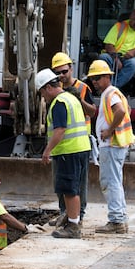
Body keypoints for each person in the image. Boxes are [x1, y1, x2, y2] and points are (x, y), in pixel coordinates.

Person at [37, 69, 91, 239]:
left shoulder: (59, 102)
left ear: (47, 88)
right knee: (75, 187)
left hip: (68, 150)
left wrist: (47, 150)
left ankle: (73, 226)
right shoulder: (71, 98)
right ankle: (72, 219)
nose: (43, 97)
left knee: (69, 189)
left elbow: (60, 130)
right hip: (81, 148)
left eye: (42, 92)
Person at [86, 60, 135, 234]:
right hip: (116, 144)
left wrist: (109, 130)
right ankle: (120, 218)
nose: (94, 81)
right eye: (92, 79)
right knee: (114, 181)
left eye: (98, 78)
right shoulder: (113, 93)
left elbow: (122, 111)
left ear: (108, 77)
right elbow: (127, 109)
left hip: (112, 144)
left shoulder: (110, 94)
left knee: (110, 182)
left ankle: (116, 220)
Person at [49, 52, 97, 227]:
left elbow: (92, 111)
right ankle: (64, 214)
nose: (62, 76)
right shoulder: (55, 90)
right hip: (62, 145)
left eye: (64, 71)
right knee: (61, 183)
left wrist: (79, 99)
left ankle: (78, 216)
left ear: (71, 68)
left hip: (78, 142)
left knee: (77, 184)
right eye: (58, 73)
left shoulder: (83, 88)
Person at [99, 8, 135, 88]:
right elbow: (108, 45)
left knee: (134, 64)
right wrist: (116, 59)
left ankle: (112, 87)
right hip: (114, 56)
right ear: (130, 18)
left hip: (133, 58)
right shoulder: (120, 26)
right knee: (103, 57)